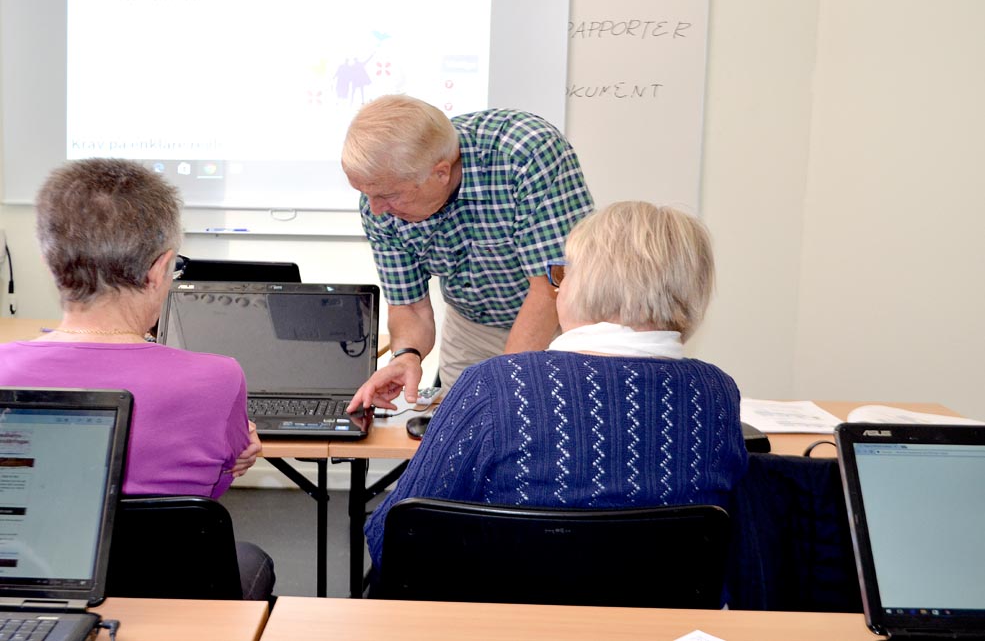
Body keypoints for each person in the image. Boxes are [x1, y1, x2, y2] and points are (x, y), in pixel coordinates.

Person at [364, 201, 748, 571]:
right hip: (666, 625)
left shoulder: (496, 384)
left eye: (564, 275)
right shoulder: (715, 393)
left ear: (588, 286)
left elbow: (392, 537)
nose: (557, 287)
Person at [0, 158, 274, 599]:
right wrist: (237, 459)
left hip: (30, 598)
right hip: (170, 593)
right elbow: (206, 498)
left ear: (50, 262)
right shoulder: (218, 378)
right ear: (156, 270)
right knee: (249, 559)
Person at [342, 95, 594, 410]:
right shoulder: (378, 201)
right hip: (471, 325)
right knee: (471, 435)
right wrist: (406, 355)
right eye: (367, 195)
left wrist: (504, 382)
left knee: (551, 431)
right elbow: (410, 308)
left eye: (389, 196)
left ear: (441, 172)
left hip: (564, 323)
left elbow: (550, 289)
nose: (377, 210)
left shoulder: (525, 152)